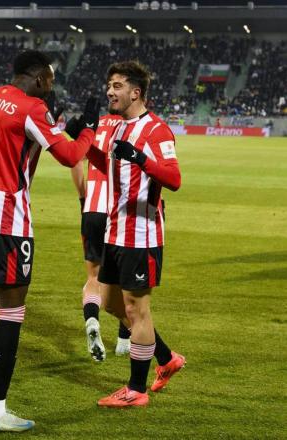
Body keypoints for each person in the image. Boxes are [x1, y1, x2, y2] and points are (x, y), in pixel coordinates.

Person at [0, 50, 97, 432]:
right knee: (11, 312)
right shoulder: (32, 107)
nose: (50, 88)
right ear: (41, 78)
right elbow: (71, 154)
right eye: (51, 82)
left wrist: (67, 125)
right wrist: (89, 127)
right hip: (8, 216)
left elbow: (27, 141)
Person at [85, 61, 185, 408]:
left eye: (116, 86)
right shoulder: (118, 130)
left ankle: (136, 390)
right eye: (109, 85)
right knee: (112, 303)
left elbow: (173, 179)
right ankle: (167, 357)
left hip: (141, 235)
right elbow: (111, 169)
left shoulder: (156, 131)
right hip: (115, 231)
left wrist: (142, 157)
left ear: (135, 92)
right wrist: (82, 142)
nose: (109, 91)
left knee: (137, 310)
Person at [67, 113, 132, 361]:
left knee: (93, 277)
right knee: (126, 278)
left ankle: (92, 320)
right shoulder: (132, 125)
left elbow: (75, 160)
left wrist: (84, 196)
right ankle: (124, 341)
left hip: (92, 209)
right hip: (118, 211)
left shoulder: (94, 124)